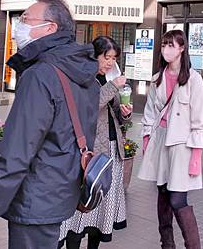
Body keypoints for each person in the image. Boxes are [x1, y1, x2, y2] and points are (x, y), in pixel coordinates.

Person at [0, 0, 100, 249]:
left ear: (50, 28)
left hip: (36, 198)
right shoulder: (80, 71)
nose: (19, 26)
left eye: (25, 19)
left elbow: (16, 154)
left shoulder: (40, 75)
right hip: (60, 191)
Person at [138, 30, 203, 249]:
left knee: (178, 198)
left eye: (172, 45)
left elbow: (200, 119)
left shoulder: (193, 79)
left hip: (182, 145)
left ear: (182, 48)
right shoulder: (157, 78)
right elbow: (150, 113)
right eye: (164, 45)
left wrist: (196, 156)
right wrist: (146, 140)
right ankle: (167, 244)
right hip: (160, 142)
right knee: (162, 194)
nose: (167, 49)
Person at [60, 36, 133, 249]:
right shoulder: (83, 78)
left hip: (112, 150)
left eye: (113, 58)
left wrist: (125, 113)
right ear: (94, 55)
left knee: (103, 210)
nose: (110, 62)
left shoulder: (110, 77)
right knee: (83, 207)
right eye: (106, 57)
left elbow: (120, 116)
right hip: (92, 154)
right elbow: (89, 107)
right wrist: (112, 86)